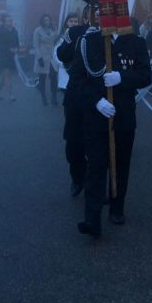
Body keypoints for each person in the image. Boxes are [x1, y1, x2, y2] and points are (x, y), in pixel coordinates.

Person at [62, 0, 152, 239]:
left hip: (122, 115)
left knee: (121, 165)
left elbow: (145, 75)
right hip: (96, 116)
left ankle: (117, 206)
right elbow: (77, 81)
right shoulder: (88, 42)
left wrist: (122, 78)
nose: (104, 18)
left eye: (108, 13)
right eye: (100, 14)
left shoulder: (135, 42)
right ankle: (92, 219)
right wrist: (96, 101)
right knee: (96, 166)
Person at [56, 10, 88, 199]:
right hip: (74, 93)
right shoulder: (72, 35)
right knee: (74, 141)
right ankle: (77, 177)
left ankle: (96, 182)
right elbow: (60, 57)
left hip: (98, 96)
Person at [32, 14, 59, 106]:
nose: (47, 22)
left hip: (52, 57)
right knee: (42, 79)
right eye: (45, 20)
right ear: (42, 21)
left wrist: (55, 29)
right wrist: (39, 57)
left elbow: (56, 39)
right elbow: (36, 45)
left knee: (53, 78)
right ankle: (43, 96)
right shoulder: (37, 31)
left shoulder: (52, 30)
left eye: (48, 20)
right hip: (42, 57)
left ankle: (54, 97)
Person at [0, 15, 19, 101]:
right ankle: (11, 95)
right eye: (8, 21)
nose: (10, 22)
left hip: (11, 57)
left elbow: (17, 42)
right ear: (4, 22)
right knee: (7, 75)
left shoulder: (14, 31)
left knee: (5, 76)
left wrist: (16, 49)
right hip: (3, 57)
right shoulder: (1, 32)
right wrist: (9, 49)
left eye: (11, 20)